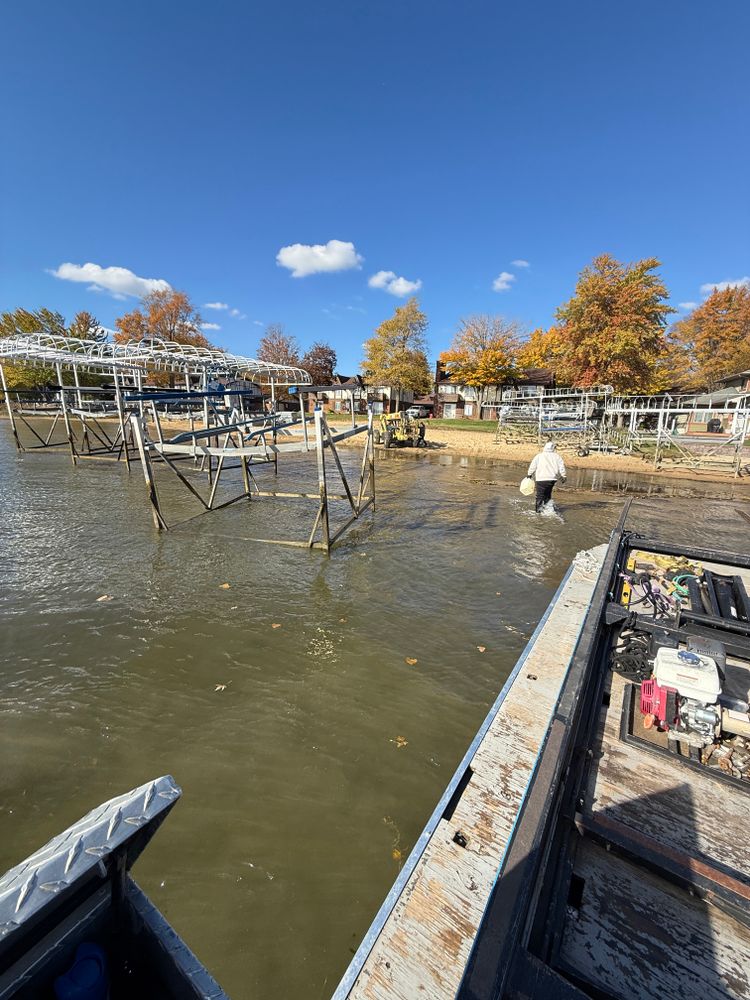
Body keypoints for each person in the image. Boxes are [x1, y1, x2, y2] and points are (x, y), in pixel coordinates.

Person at [527, 441, 566, 512]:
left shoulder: (539, 456)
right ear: (553, 448)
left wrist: (529, 474)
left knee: (539, 496)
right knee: (548, 494)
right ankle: (547, 510)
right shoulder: (557, 456)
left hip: (541, 479)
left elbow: (533, 466)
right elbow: (561, 467)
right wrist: (563, 476)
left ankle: (538, 512)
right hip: (552, 479)